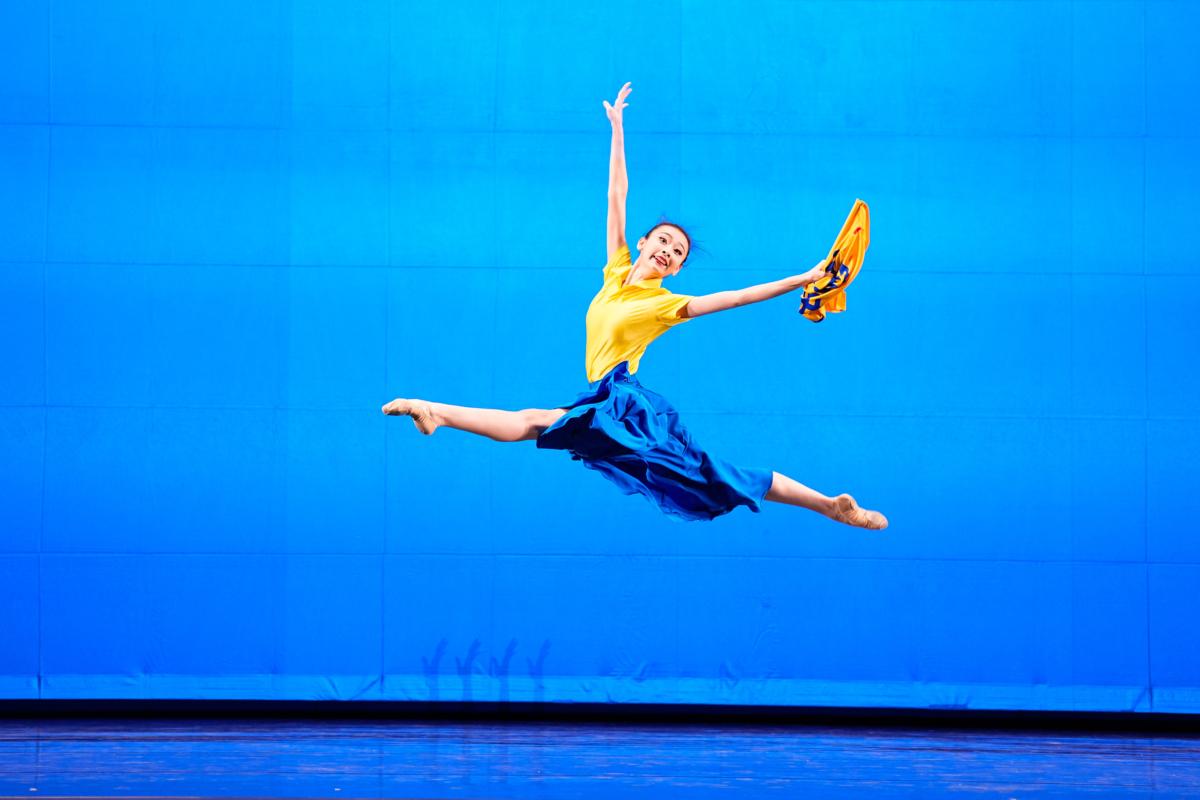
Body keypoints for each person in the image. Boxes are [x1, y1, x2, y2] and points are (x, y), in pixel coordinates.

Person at [383, 81, 887, 530]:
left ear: (676, 268)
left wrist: (804, 277)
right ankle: (436, 412)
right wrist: (617, 127)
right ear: (644, 242)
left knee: (552, 428)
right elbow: (617, 195)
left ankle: (829, 505)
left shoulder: (663, 303)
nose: (668, 250)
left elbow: (735, 297)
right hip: (604, 397)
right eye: (663, 240)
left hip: (624, 402)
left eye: (678, 252)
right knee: (545, 426)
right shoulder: (616, 271)